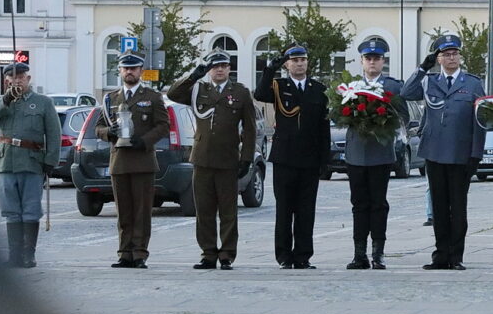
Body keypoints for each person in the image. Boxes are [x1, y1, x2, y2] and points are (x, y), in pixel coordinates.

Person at [401, 34, 485, 270]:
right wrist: (422, 68)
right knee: (438, 207)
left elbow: (480, 121)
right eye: (446, 54)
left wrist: (476, 154)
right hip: (435, 152)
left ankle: (456, 256)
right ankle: (440, 255)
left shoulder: (472, 83)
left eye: (455, 54)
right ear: (438, 58)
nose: (451, 58)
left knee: (458, 208)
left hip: (461, 153)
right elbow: (407, 93)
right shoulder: (429, 81)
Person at [167, 50, 257, 271]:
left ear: (229, 68)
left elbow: (250, 129)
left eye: (223, 66)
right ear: (209, 69)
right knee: (204, 211)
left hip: (228, 159)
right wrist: (193, 76)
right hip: (203, 159)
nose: (219, 69)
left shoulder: (240, 92)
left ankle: (226, 254)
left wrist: (246, 158)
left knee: (228, 211)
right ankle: (208, 253)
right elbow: (173, 94)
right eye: (214, 66)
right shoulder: (199, 89)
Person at [253, 44, 330, 269]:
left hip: (309, 157)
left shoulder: (318, 89)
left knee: (306, 210)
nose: (299, 64)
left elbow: (323, 127)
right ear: (287, 64)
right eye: (294, 61)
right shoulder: (279, 86)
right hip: (285, 157)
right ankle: (284, 255)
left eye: (303, 60)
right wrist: (270, 70)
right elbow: (259, 94)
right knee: (284, 209)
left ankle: (303, 255)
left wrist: (324, 159)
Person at [0, 62, 60, 268]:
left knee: (31, 209)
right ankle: (14, 255)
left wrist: (50, 161)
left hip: (32, 162)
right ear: (7, 80)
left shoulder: (42, 102)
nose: (17, 81)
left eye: (21, 77)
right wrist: (6, 100)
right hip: (6, 162)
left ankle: (28, 255)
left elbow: (53, 134)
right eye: (13, 78)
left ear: (28, 79)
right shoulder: (2, 101)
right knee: (11, 210)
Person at [96, 52, 169, 269]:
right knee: (124, 211)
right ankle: (124, 252)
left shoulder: (153, 97)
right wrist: (109, 131)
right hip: (119, 161)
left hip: (143, 160)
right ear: (119, 71)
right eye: (125, 68)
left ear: (140, 71)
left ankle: (139, 253)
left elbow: (163, 126)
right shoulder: (111, 98)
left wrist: (144, 141)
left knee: (142, 211)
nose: (129, 72)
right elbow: (98, 127)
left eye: (134, 68)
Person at [343, 37, 407, 270]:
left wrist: (386, 124)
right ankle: (359, 253)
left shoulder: (392, 87)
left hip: (381, 153)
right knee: (359, 204)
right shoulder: (350, 86)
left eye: (377, 58)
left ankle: (378, 252)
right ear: (361, 61)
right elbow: (338, 114)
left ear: (383, 61)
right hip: (357, 153)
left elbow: (403, 116)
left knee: (378, 204)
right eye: (368, 58)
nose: (372, 62)